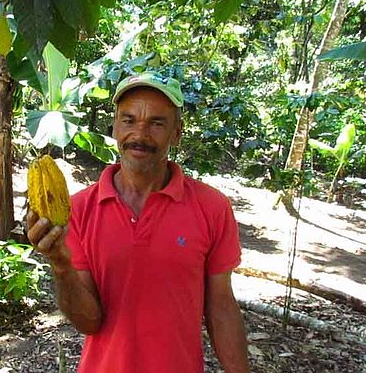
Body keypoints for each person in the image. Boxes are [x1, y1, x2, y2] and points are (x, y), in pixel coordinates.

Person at [27, 71, 250, 373]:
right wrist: (61, 265)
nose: (140, 135)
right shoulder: (77, 209)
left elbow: (221, 307)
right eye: (129, 120)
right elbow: (89, 322)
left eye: (156, 123)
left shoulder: (212, 207)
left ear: (177, 132)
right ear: (115, 126)